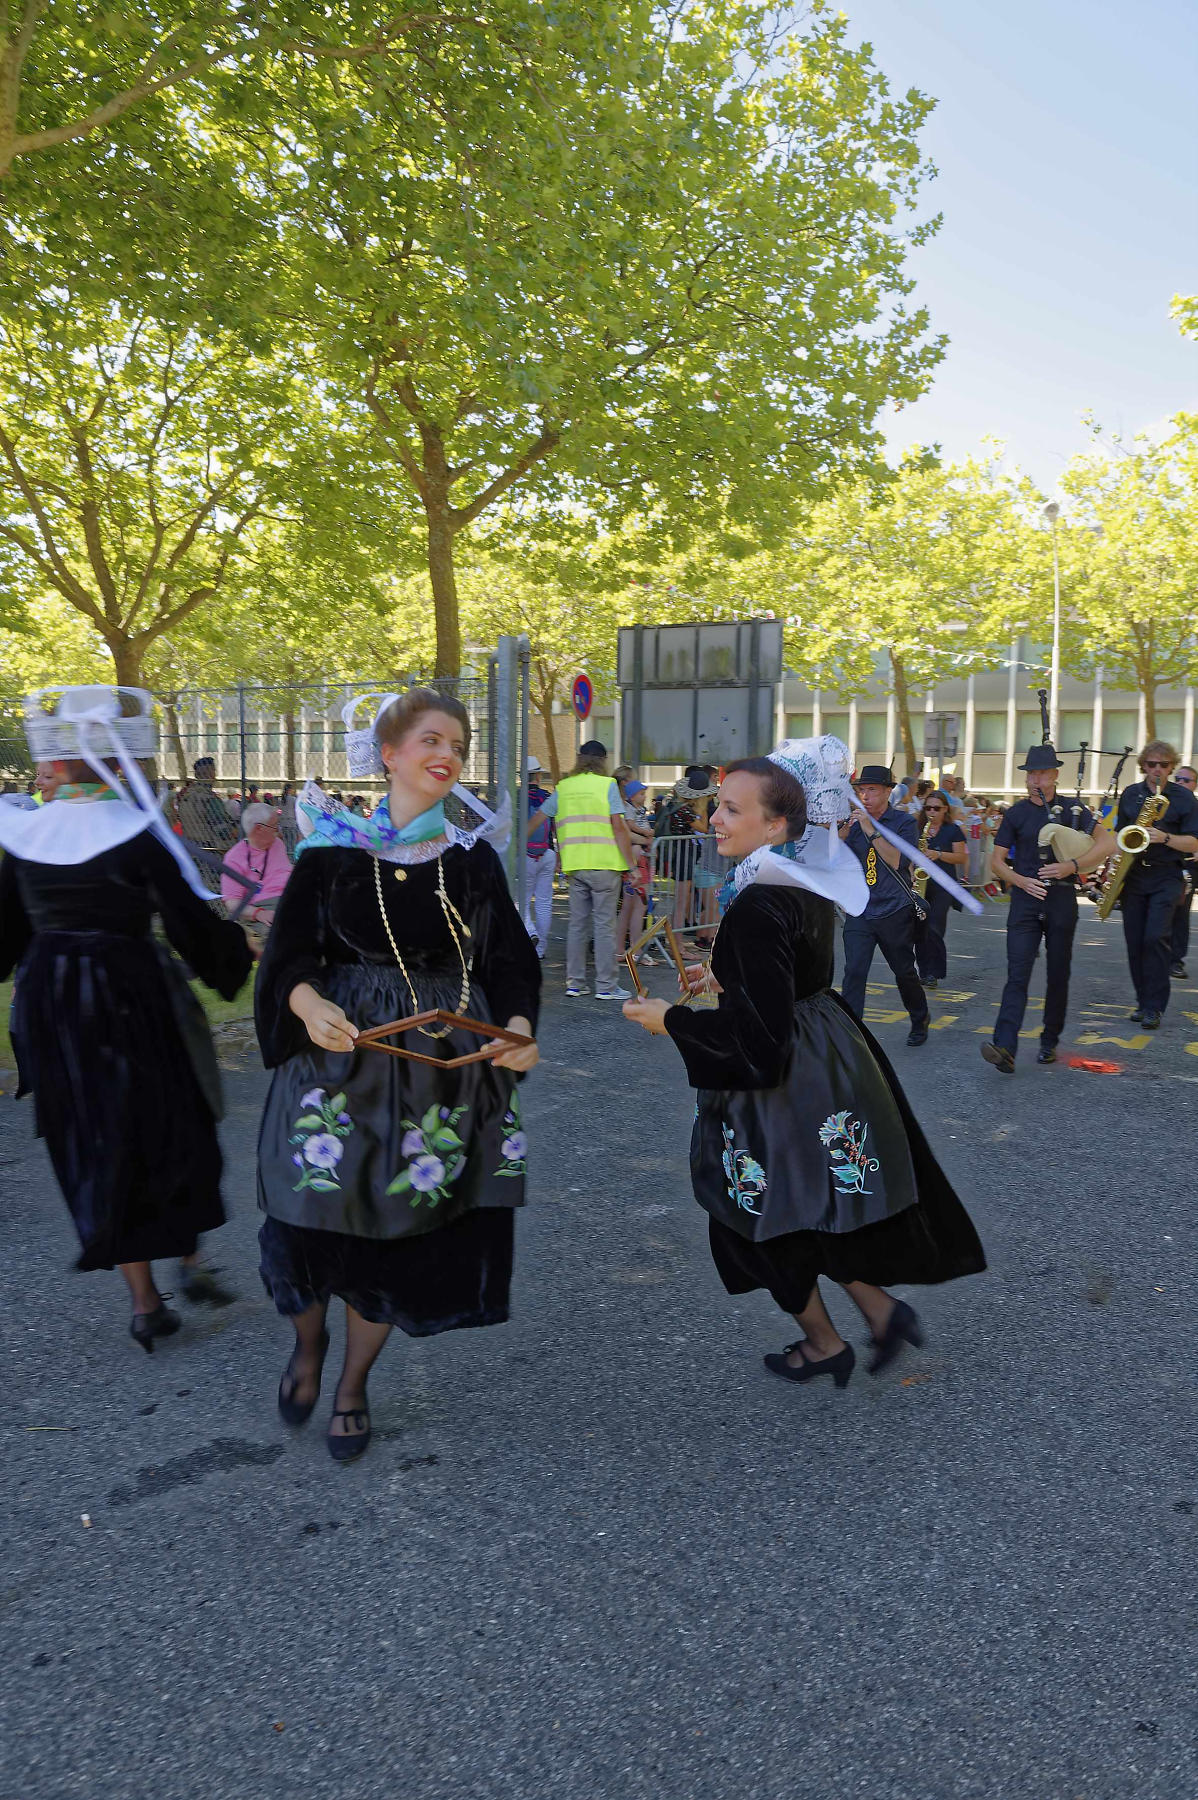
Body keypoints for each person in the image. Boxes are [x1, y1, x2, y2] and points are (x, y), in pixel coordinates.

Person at [622, 737, 985, 1387]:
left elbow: (756, 1042)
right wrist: (726, 972)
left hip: (783, 1082)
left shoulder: (761, 899)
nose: (714, 820)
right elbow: (792, 968)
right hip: (824, 1054)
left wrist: (670, 1019)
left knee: (754, 1219)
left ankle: (825, 1341)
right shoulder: (803, 873)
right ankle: (876, 1313)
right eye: (719, 808)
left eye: (733, 810)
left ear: (779, 822)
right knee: (803, 1206)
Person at [254, 688, 541, 1462]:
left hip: (441, 1075)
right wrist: (307, 1002)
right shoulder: (332, 851)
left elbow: (510, 962)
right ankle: (307, 1347)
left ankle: (352, 1385)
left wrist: (517, 1029)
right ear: (387, 753)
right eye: (430, 739)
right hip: (338, 1066)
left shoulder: (473, 859)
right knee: (306, 1228)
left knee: (399, 1238)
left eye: (458, 742)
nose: (447, 753)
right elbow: (288, 959)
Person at [0, 687, 252, 1347]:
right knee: (172, 1125)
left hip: (53, 1003)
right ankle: (190, 1261)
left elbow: (3, 938)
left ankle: (144, 1303)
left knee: (94, 1141)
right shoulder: (138, 834)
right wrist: (235, 955)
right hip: (132, 998)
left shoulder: (24, 834)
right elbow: (193, 926)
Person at [981, 746, 1113, 1073]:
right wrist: (1021, 881)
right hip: (1025, 901)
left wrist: (1072, 866)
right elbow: (996, 862)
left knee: (1058, 973)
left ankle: (1049, 1041)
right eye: (1030, 773)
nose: (1033, 779)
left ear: (1055, 776)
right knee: (1017, 973)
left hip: (1061, 900)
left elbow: (1108, 844)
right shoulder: (1015, 813)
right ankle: (1005, 1047)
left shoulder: (1074, 809)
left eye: (1041, 773)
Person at [529, 740, 633, 1000]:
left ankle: (575, 983)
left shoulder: (564, 787)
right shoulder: (607, 785)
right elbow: (618, 828)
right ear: (603, 761)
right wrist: (631, 865)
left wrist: (518, 844)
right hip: (606, 865)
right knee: (604, 927)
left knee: (577, 926)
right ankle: (606, 986)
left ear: (579, 758)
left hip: (575, 867)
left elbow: (538, 819)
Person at [839, 765, 929, 1047]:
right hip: (860, 909)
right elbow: (833, 857)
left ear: (888, 792)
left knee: (903, 971)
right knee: (854, 971)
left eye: (872, 790)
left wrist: (870, 829)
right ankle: (853, 1034)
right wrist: (839, 835)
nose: (865, 796)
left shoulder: (903, 822)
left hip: (894, 909)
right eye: (861, 791)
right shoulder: (852, 822)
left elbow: (898, 861)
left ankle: (919, 1017)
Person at [1113, 741, 1198, 1028]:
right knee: (1135, 942)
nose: (1157, 769)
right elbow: (1119, 835)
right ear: (1143, 766)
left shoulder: (1185, 799)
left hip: (1167, 875)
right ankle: (1142, 1001)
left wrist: (1165, 838)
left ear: (1172, 766)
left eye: (1163, 765)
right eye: (1151, 764)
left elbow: (1194, 841)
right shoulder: (1130, 795)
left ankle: (1155, 1007)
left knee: (1155, 938)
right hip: (1134, 876)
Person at [913, 790, 968, 987]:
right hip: (920, 885)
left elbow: (961, 857)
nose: (932, 812)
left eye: (937, 808)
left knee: (935, 928)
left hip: (944, 885)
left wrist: (938, 854)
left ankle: (935, 971)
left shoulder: (953, 830)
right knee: (920, 929)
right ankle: (924, 971)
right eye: (928, 808)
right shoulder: (918, 829)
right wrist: (911, 872)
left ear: (945, 809)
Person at [220, 802, 293, 927]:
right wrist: (258, 913)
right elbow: (231, 902)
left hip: (291, 897)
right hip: (264, 907)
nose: (278, 830)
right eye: (274, 826)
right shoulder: (234, 858)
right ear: (259, 828)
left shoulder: (278, 844)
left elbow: (284, 871)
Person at [616, 777, 653, 960]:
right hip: (637, 866)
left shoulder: (634, 810)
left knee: (629, 909)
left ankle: (621, 949)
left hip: (632, 865)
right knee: (638, 908)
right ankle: (635, 950)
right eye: (641, 793)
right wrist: (646, 837)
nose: (645, 796)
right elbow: (629, 832)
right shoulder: (628, 811)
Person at [524, 756, 557, 958]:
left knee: (522, 900)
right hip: (547, 853)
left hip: (525, 855)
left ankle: (530, 932)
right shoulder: (548, 797)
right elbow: (555, 827)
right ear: (537, 775)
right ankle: (541, 949)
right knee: (544, 902)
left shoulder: (517, 796)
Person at [176, 756, 237, 851]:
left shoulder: (186, 796)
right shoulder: (210, 799)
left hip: (190, 848)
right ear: (211, 773)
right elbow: (223, 832)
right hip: (211, 850)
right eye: (213, 771)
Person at [1170, 764, 1197, 978]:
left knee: (1180, 915)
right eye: (1177, 778)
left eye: (1186, 780)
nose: (1180, 782)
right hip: (1163, 866)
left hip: (1188, 866)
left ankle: (1175, 960)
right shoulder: (1167, 804)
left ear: (1195, 785)